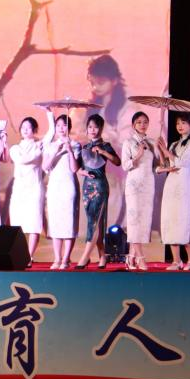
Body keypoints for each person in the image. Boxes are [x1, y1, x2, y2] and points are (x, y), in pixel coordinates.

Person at [72, 114, 121, 269]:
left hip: (100, 187)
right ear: (87, 129)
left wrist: (102, 152)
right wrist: (83, 172)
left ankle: (85, 257)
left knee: (93, 222)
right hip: (87, 187)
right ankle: (102, 256)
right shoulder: (84, 148)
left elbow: (117, 162)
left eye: (96, 127)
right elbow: (77, 168)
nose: (93, 130)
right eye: (90, 127)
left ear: (101, 129)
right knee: (95, 222)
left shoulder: (105, 145)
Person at [155, 114, 190, 270]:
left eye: (184, 123)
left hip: (183, 184)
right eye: (178, 123)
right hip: (171, 183)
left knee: (183, 220)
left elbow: (181, 163)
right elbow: (167, 164)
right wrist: (161, 150)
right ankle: (176, 260)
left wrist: (166, 151)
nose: (180, 126)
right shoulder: (174, 144)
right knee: (170, 220)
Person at [42, 111, 80, 270]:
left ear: (69, 127)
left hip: (68, 186)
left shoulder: (76, 144)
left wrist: (69, 150)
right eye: (58, 125)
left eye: (64, 125)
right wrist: (56, 151)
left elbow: (74, 168)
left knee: (69, 222)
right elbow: (45, 166)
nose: (61, 128)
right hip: (54, 187)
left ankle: (66, 258)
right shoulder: (50, 145)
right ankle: (57, 258)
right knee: (56, 222)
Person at [120, 111, 155, 271]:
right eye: (139, 122)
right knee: (134, 220)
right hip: (134, 185)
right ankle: (140, 258)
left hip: (148, 184)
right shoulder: (128, 142)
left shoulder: (151, 142)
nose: (143, 125)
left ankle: (131, 257)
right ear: (133, 125)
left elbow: (156, 164)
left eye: (145, 122)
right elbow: (125, 165)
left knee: (143, 220)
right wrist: (139, 154)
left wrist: (161, 149)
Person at [8, 117, 45, 262]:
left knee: (34, 223)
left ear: (34, 130)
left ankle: (29, 256)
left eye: (28, 127)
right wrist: (37, 153)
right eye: (23, 127)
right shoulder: (15, 149)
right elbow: (22, 160)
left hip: (34, 188)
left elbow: (50, 135)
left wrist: (49, 115)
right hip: (19, 189)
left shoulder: (40, 145)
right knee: (18, 223)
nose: (25, 130)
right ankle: (20, 254)